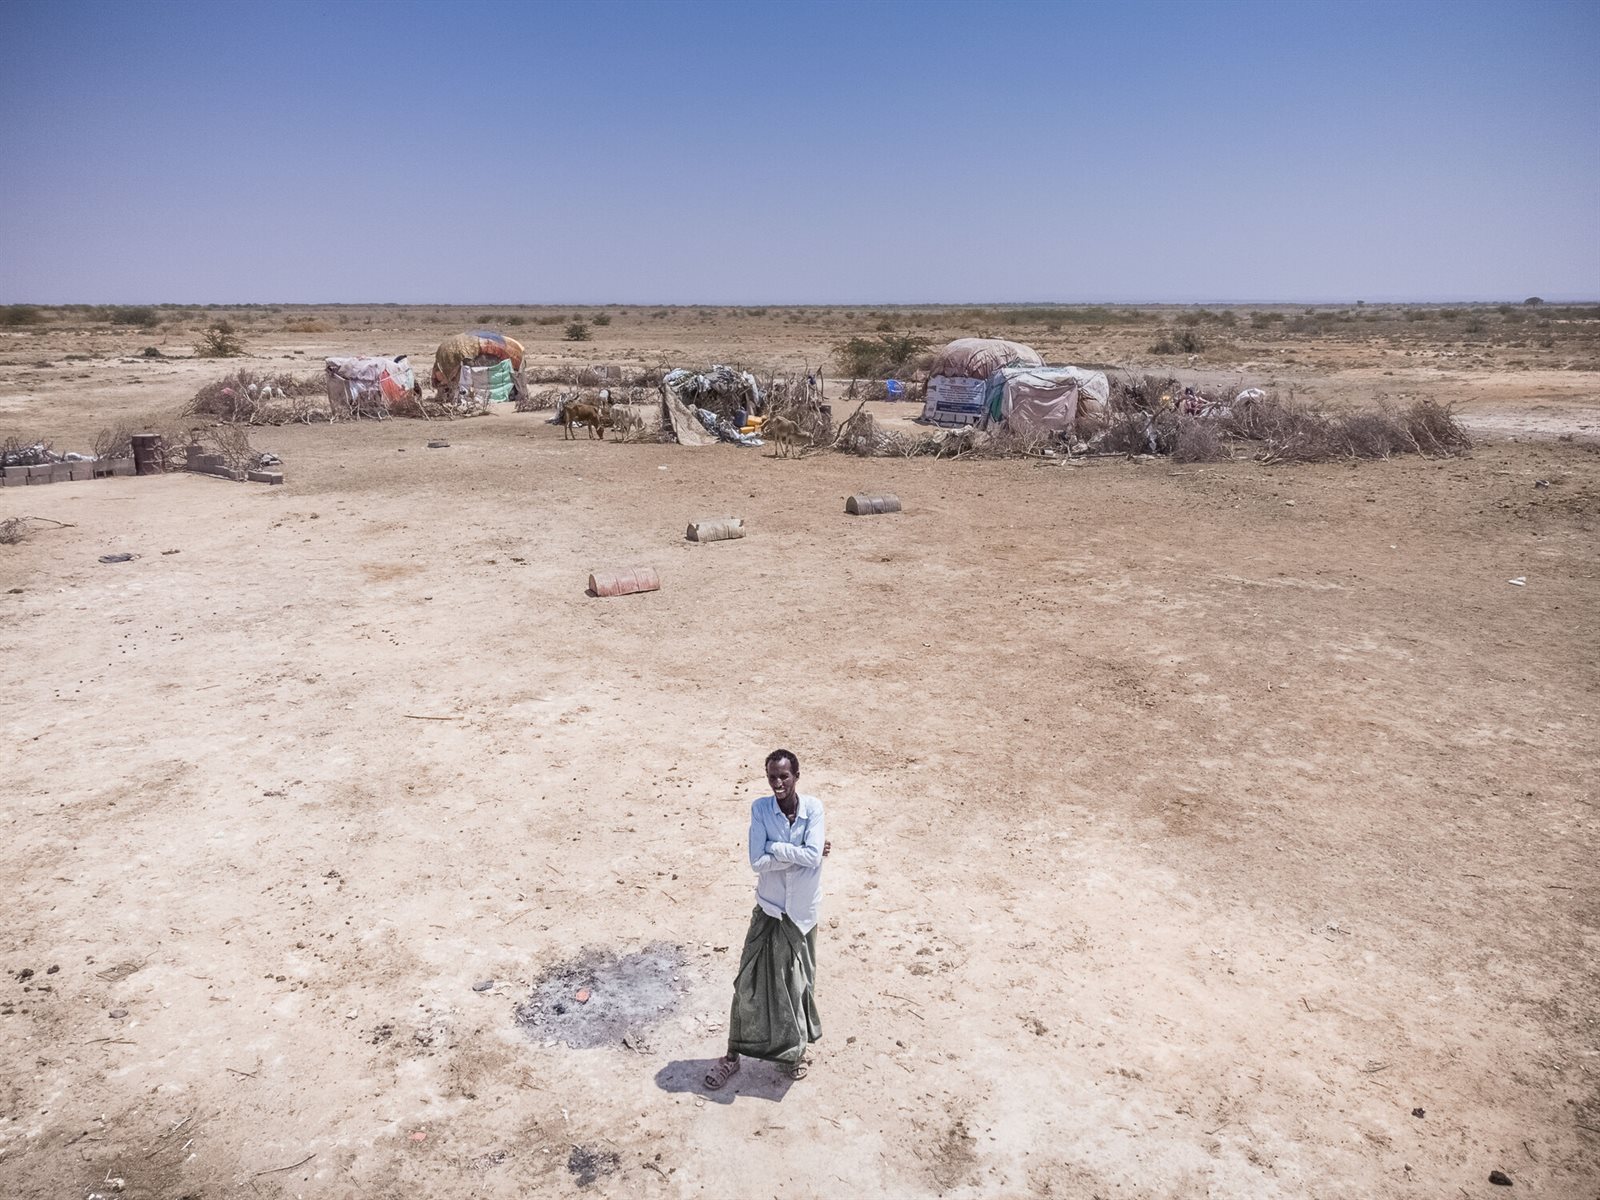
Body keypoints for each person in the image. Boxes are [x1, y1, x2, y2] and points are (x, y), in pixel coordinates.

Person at [704, 749, 830, 1089]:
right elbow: (756, 863)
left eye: (784, 776)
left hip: (801, 915)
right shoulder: (760, 809)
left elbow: (810, 854)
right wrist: (800, 854)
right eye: (772, 776)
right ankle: (733, 1055)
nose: (777, 783)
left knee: (797, 986)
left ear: (796, 776)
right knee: (747, 984)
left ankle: (794, 1053)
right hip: (770, 909)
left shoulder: (814, 809)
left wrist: (776, 848)